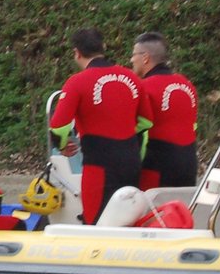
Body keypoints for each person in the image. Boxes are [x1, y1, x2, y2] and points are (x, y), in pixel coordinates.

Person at [49, 28, 151, 224]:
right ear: (102, 48)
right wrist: (123, 132)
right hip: (131, 159)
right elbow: (147, 121)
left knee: (96, 220)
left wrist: (63, 145)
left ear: (77, 53)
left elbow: (59, 126)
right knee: (128, 219)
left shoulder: (77, 82)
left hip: (99, 164)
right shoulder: (131, 78)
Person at [129, 31, 198, 189]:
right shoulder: (187, 85)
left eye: (134, 55)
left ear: (145, 57)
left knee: (153, 213)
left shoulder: (142, 87)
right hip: (189, 164)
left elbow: (131, 127)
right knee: (181, 212)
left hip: (157, 167)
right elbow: (191, 126)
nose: (132, 59)